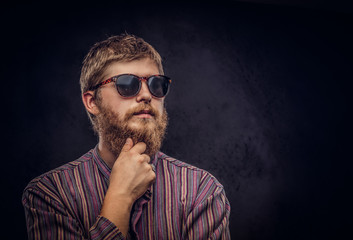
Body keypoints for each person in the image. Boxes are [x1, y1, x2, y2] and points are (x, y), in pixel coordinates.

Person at [22, 33, 231, 239]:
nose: (147, 95)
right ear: (92, 102)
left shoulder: (201, 191)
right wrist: (120, 198)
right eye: (127, 84)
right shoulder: (50, 195)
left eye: (156, 84)